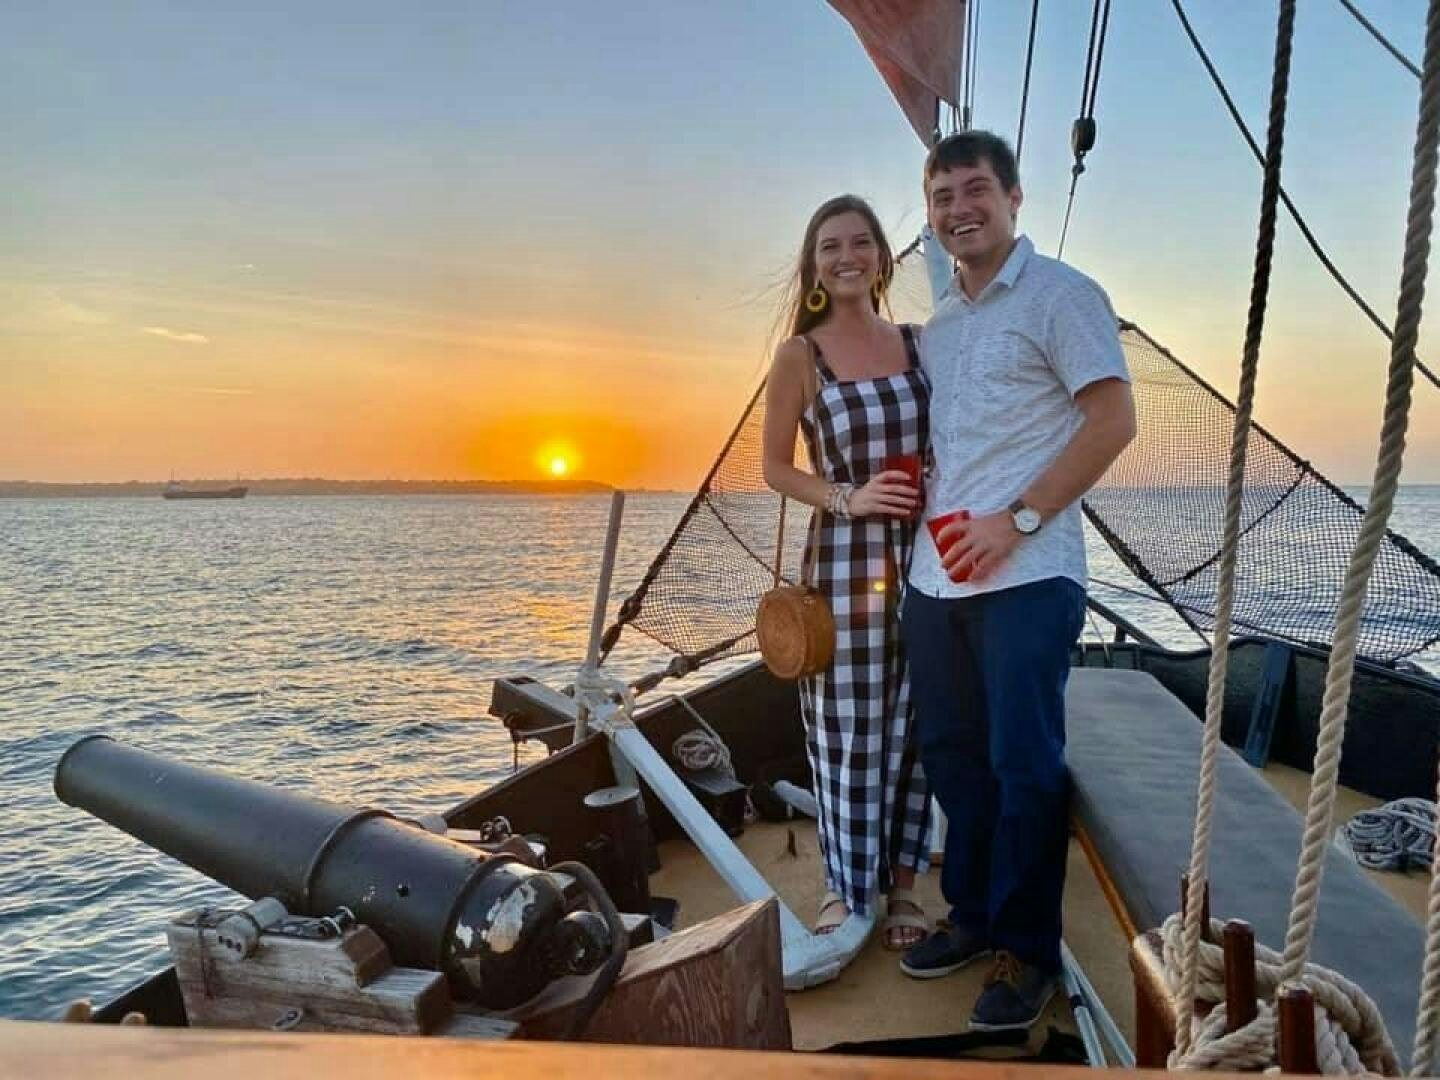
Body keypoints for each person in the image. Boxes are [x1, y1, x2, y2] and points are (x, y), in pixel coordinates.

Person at [898, 131, 1136, 1032]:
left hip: (1029, 574)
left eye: (975, 191)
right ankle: (975, 913)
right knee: (953, 753)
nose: (959, 209)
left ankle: (1028, 950)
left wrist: (1019, 520)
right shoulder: (944, 322)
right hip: (935, 577)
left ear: (1014, 197)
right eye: (943, 195)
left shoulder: (1063, 296)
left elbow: (1112, 420)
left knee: (1023, 763)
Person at [762, 194, 933, 951]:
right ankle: (844, 883)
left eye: (861, 242)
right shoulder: (802, 355)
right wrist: (849, 496)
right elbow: (773, 468)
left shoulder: (922, 342)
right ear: (814, 264)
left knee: (920, 722)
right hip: (845, 561)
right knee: (848, 728)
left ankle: (900, 887)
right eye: (830, 246)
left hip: (927, 555)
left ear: (882, 257)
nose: (847, 256)